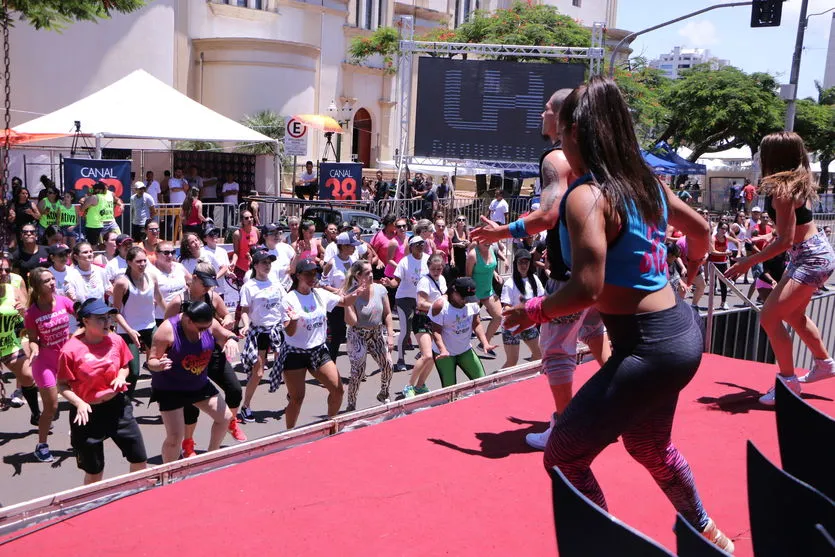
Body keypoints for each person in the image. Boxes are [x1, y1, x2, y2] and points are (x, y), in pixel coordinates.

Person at [502, 77, 732, 551]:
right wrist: (689, 266)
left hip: (649, 347)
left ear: (576, 134)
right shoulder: (644, 183)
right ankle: (710, 534)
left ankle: (609, 547)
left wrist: (532, 311)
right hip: (676, 334)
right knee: (649, 447)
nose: (558, 143)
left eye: (561, 132)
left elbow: (587, 288)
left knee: (564, 456)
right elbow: (702, 229)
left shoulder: (587, 196)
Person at [469, 88, 611, 452]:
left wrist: (502, 231)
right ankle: (613, 407)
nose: (541, 115)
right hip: (601, 272)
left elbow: (547, 216)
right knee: (594, 330)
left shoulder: (554, 159)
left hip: (570, 277)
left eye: (547, 109)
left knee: (555, 351)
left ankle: (567, 428)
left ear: (563, 119)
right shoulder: (601, 158)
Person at [726, 131, 835, 403]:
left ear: (774, 157)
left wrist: (747, 262)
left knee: (769, 318)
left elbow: (786, 240)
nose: (759, 158)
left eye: (763, 153)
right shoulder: (797, 184)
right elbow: (792, 231)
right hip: (812, 254)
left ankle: (788, 384)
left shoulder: (782, 191)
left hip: (809, 257)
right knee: (795, 316)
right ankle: (824, 364)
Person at [57, 298, 148, 485]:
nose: (107, 322)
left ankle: (135, 497)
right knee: (94, 472)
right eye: (100, 318)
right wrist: (79, 402)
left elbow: (124, 366)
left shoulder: (116, 341)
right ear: (86, 321)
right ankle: (93, 505)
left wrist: (121, 377)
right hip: (87, 413)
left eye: (108, 317)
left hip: (118, 407)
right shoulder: (70, 351)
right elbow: (62, 385)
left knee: (139, 459)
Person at [164, 263, 245, 452]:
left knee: (234, 389)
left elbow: (227, 318)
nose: (208, 288)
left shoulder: (213, 297)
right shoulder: (178, 302)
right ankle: (188, 443)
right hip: (187, 358)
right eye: (205, 283)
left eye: (211, 284)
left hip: (212, 353)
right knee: (190, 404)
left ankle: (230, 421)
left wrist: (227, 324)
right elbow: (164, 330)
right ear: (194, 278)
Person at [147, 300, 238, 463]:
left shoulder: (208, 323)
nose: (204, 331)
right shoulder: (167, 330)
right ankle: (168, 474)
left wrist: (231, 339)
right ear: (188, 320)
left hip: (198, 385)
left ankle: (211, 458)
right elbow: (151, 361)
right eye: (201, 328)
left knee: (225, 418)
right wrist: (158, 365)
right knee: (175, 437)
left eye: (207, 327)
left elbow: (226, 333)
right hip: (170, 389)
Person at [282, 259, 366, 428]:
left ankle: (330, 425)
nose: (312, 277)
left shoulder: (320, 294)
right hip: (295, 354)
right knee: (297, 398)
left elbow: (344, 302)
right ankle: (289, 433)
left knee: (337, 390)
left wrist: (357, 292)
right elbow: (289, 332)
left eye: (315, 273)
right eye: (308, 274)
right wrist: (293, 320)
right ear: (298, 276)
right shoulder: (289, 299)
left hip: (318, 351)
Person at [25, 268, 75, 462]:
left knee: (76, 399)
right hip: (44, 362)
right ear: (38, 287)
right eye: (47, 281)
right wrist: (34, 348)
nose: (53, 282)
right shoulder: (32, 313)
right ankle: (41, 445)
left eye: (53, 279)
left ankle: (77, 437)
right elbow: (32, 338)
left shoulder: (62, 300)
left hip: (66, 359)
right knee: (51, 407)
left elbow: (81, 312)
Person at [238, 250, 288, 422]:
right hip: (259, 332)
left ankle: (292, 397)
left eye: (269, 262)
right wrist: (245, 325)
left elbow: (285, 307)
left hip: (277, 330)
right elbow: (244, 311)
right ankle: (246, 406)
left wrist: (289, 321)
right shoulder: (249, 287)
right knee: (258, 373)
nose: (267, 266)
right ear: (255, 265)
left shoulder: (276, 285)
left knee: (286, 365)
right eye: (263, 262)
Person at [112, 246, 167, 396]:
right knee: (133, 372)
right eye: (138, 261)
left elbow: (160, 299)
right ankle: (124, 404)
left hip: (150, 326)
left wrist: (172, 317)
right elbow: (114, 313)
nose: (142, 264)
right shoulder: (122, 283)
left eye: (144, 261)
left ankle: (162, 394)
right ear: (129, 262)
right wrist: (130, 331)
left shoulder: (152, 277)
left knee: (163, 363)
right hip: (128, 331)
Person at [343, 260, 395, 411]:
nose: (371, 275)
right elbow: (352, 321)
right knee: (358, 372)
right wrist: (347, 303)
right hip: (358, 335)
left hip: (377, 333)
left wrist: (390, 336)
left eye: (371, 272)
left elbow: (388, 314)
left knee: (388, 365)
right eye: (367, 273)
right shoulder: (351, 294)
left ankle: (384, 393)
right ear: (358, 276)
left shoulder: (380, 289)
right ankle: (351, 404)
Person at [429, 277, 494, 387]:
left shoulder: (473, 302)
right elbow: (436, 331)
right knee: (450, 390)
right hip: (446, 354)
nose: (466, 301)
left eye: (469, 298)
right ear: (454, 291)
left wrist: (485, 343)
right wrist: (442, 350)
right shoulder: (440, 306)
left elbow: (476, 323)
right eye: (463, 297)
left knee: (483, 382)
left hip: (465, 349)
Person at [0, 255, 41, 423]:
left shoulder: (13, 289)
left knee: (27, 377)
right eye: (0, 270)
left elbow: (27, 318)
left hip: (9, 343)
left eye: (7, 270)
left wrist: (23, 312)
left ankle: (36, 415)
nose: (4, 273)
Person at [402, 253, 447, 397]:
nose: (436, 272)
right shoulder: (424, 281)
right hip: (422, 319)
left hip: (436, 320)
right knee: (427, 355)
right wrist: (437, 306)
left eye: (439, 269)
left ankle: (420, 385)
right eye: (433, 269)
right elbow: (421, 304)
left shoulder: (442, 279)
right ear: (428, 267)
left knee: (433, 356)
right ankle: (409, 386)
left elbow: (444, 296)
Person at [383, 235, 428, 372]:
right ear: (411, 247)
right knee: (406, 330)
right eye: (417, 244)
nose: (421, 246)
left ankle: (424, 352)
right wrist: (390, 284)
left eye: (422, 243)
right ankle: (401, 359)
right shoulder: (404, 262)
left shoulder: (428, 259)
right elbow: (396, 281)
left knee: (424, 328)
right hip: (404, 299)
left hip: (421, 300)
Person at [321, 231, 363, 362]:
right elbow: (322, 284)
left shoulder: (353, 262)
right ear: (343, 246)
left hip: (352, 302)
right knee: (336, 336)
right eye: (352, 245)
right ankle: (329, 365)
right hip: (337, 304)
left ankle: (357, 367)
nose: (354, 248)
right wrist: (338, 291)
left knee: (356, 334)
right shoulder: (331, 263)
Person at [499, 249, 543, 369]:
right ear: (515, 264)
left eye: (526, 262)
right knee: (512, 362)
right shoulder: (509, 284)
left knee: (540, 355)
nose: (524, 265)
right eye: (520, 262)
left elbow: (541, 298)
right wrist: (519, 310)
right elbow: (506, 307)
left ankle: (530, 375)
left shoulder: (535, 279)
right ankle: (496, 382)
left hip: (529, 326)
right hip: (511, 327)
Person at [466, 240, 504, 355]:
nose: (488, 242)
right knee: (473, 322)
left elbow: (490, 266)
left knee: (499, 317)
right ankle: (464, 349)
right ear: (478, 240)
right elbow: (468, 276)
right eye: (484, 240)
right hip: (474, 293)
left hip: (488, 290)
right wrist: (470, 297)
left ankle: (484, 344)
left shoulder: (492, 250)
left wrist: (496, 274)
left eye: (489, 239)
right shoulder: (473, 254)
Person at [151, 241, 190, 327]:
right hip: (162, 319)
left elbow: (192, 282)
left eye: (172, 252)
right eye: (166, 253)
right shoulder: (151, 273)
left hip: (183, 316)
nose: (170, 256)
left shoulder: (179, 267)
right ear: (156, 254)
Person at [65, 242, 111, 307]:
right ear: (76, 257)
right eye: (85, 252)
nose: (89, 254)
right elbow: (72, 300)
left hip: (101, 312)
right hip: (83, 314)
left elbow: (109, 289)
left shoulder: (101, 271)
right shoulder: (70, 276)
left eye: (91, 251)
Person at [81, 182, 122, 246]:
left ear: (100, 189)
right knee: (102, 244)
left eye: (95, 188)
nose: (94, 189)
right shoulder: (101, 197)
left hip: (94, 225)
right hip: (100, 223)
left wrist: (85, 200)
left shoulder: (95, 197)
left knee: (97, 246)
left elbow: (82, 208)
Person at [230, 209, 260, 283]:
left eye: (251, 217)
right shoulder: (237, 234)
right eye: (246, 218)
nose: (250, 219)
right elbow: (236, 252)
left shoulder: (256, 230)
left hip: (255, 268)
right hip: (241, 268)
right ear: (242, 221)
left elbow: (259, 248)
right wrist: (233, 262)